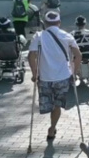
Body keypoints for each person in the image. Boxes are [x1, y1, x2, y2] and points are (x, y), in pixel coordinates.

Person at [28, 11, 82, 141]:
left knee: (48, 104)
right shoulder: (67, 36)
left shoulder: (38, 36)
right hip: (63, 77)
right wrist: (73, 73)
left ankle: (51, 126)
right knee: (57, 105)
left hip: (45, 77)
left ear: (45, 24)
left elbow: (31, 55)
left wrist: (34, 73)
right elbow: (78, 55)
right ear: (59, 23)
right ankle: (52, 128)